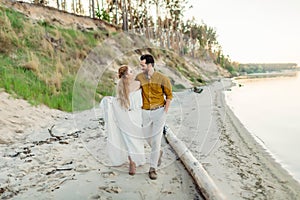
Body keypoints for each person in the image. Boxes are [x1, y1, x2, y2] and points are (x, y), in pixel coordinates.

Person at [100, 65, 145, 175]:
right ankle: (132, 162)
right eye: (130, 71)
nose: (133, 72)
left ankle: (136, 159)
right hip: (126, 114)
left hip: (136, 114)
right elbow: (119, 102)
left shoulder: (135, 83)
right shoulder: (124, 85)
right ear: (126, 75)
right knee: (128, 138)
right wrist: (109, 102)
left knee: (136, 138)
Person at [135, 54, 173, 180]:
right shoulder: (139, 77)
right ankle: (158, 153)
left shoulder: (163, 78)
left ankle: (153, 168)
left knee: (156, 140)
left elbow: (169, 96)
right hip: (145, 111)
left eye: (143, 65)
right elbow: (132, 90)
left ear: (150, 65)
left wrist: (165, 112)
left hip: (159, 111)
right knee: (146, 136)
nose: (141, 67)